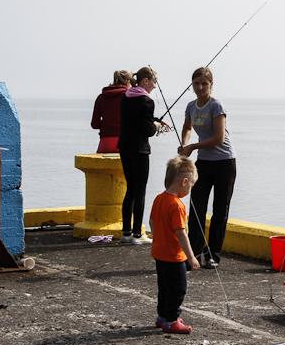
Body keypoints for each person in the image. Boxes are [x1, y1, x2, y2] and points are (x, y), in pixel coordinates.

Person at [179, 67, 236, 269]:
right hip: (203, 164)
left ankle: (213, 256)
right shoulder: (191, 106)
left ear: (211, 84)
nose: (201, 87)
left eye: (205, 83)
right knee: (197, 209)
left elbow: (219, 138)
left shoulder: (216, 105)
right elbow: (187, 127)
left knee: (220, 211)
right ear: (192, 85)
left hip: (224, 163)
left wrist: (193, 146)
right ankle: (193, 254)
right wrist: (185, 143)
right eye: (197, 83)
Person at [118, 67, 169, 245]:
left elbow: (135, 119)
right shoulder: (147, 101)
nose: (155, 86)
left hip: (124, 147)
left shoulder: (126, 96)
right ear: (145, 81)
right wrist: (155, 125)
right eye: (154, 81)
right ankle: (137, 234)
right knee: (140, 191)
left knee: (130, 189)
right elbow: (147, 130)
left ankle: (126, 232)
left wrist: (153, 119)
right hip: (140, 150)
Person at [149, 155, 201, 334]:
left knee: (163, 287)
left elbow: (152, 223)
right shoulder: (177, 205)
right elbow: (181, 233)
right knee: (178, 289)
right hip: (173, 256)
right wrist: (191, 256)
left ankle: (162, 316)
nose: (190, 188)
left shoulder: (159, 198)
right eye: (191, 185)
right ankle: (171, 320)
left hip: (159, 252)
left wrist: (158, 238)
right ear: (184, 181)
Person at [91, 70, 133, 153]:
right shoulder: (129, 97)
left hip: (105, 142)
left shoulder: (101, 97)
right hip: (125, 141)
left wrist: (106, 123)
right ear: (127, 82)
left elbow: (94, 124)